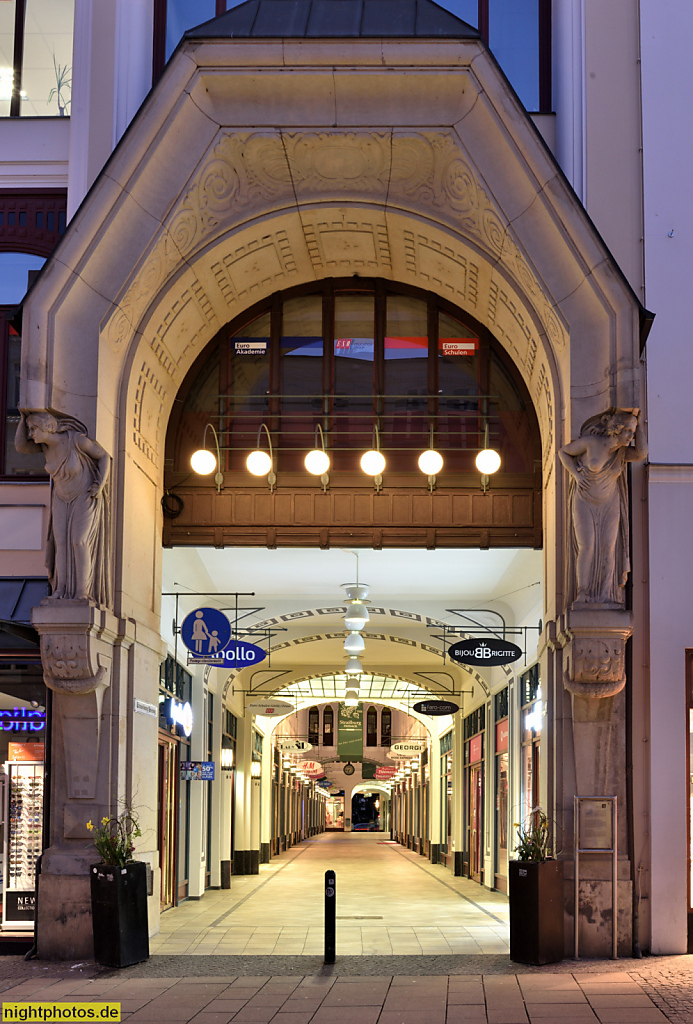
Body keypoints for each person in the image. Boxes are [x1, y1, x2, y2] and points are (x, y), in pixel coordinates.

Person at [15, 411, 111, 605]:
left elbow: (103, 456)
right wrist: (22, 420)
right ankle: (60, 590)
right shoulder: (44, 447)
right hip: (61, 497)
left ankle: (82, 592)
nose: (31, 434)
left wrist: (100, 484)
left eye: (34, 429)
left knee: (78, 541)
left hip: (84, 496)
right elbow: (20, 446)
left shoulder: (76, 441)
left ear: (47, 427)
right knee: (61, 544)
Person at [558, 407, 646, 606]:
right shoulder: (591, 443)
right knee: (586, 546)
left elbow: (642, 453)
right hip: (585, 498)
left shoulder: (622, 452)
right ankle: (583, 592)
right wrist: (576, 474)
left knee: (609, 547)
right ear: (616, 429)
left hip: (610, 502)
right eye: (628, 432)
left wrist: (638, 424)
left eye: (632, 433)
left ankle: (605, 593)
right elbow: (563, 452)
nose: (631, 437)